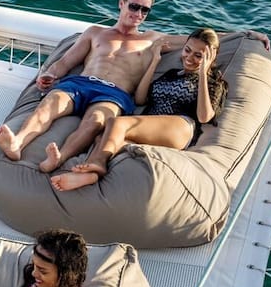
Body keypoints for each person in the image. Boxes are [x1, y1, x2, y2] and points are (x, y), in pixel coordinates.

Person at [0, 0, 268, 173]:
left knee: (97, 120)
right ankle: (18, 143)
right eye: (134, 7)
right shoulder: (95, 33)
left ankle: (58, 158)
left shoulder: (152, 39)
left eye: (145, 10)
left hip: (114, 93)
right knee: (50, 104)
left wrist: (244, 34)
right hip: (80, 84)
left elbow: (198, 40)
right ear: (121, 3)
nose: (138, 14)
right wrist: (49, 74)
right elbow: (66, 62)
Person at [51, 27, 227, 191]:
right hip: (152, 126)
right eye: (187, 50)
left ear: (210, 58)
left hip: (181, 127)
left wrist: (203, 73)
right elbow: (140, 99)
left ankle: (97, 165)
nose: (189, 58)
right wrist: (154, 61)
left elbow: (204, 117)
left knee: (117, 124)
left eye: (198, 56)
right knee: (102, 138)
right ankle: (91, 176)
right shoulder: (172, 74)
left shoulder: (214, 82)